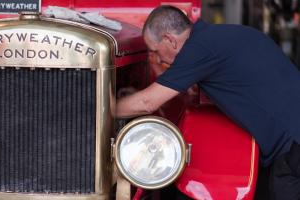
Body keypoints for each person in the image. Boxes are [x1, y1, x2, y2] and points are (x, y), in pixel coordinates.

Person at [116, 5, 300, 200]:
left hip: (292, 151)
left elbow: (147, 102)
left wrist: (100, 108)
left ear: (170, 39)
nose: (159, 59)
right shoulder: (217, 37)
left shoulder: (197, 49)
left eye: (155, 51)